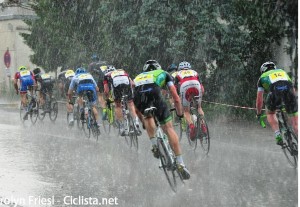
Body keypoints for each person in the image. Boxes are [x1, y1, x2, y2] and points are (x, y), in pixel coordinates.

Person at [133, 60, 190, 180]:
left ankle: (154, 145)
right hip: (155, 92)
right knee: (168, 128)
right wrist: (179, 115)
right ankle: (180, 163)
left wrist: (142, 122)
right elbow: (175, 97)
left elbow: (137, 109)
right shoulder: (164, 73)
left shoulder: (137, 77)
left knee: (148, 116)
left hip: (139, 96)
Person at [256, 61, 298, 145]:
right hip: (289, 93)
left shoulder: (262, 77)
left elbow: (259, 99)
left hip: (275, 93)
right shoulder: (282, 72)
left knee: (270, 113)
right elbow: (292, 89)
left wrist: (259, 113)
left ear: (263, 70)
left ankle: (278, 134)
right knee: (295, 124)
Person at [103, 66, 140, 136]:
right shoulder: (122, 71)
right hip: (126, 82)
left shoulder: (106, 76)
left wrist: (107, 97)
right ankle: (136, 121)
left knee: (118, 105)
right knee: (130, 103)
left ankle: (122, 127)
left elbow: (106, 91)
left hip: (116, 85)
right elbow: (133, 84)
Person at [174, 61, 206, 140]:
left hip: (184, 86)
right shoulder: (194, 72)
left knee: (186, 111)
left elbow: (174, 89)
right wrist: (200, 98)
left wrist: (178, 98)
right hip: (196, 85)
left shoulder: (178, 74)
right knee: (199, 108)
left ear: (179, 68)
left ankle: (192, 127)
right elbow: (202, 89)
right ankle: (203, 126)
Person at [88, 54, 108, 120]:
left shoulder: (91, 65)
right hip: (108, 79)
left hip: (99, 80)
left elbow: (89, 74)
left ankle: (104, 109)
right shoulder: (104, 63)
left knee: (100, 96)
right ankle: (110, 106)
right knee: (108, 93)